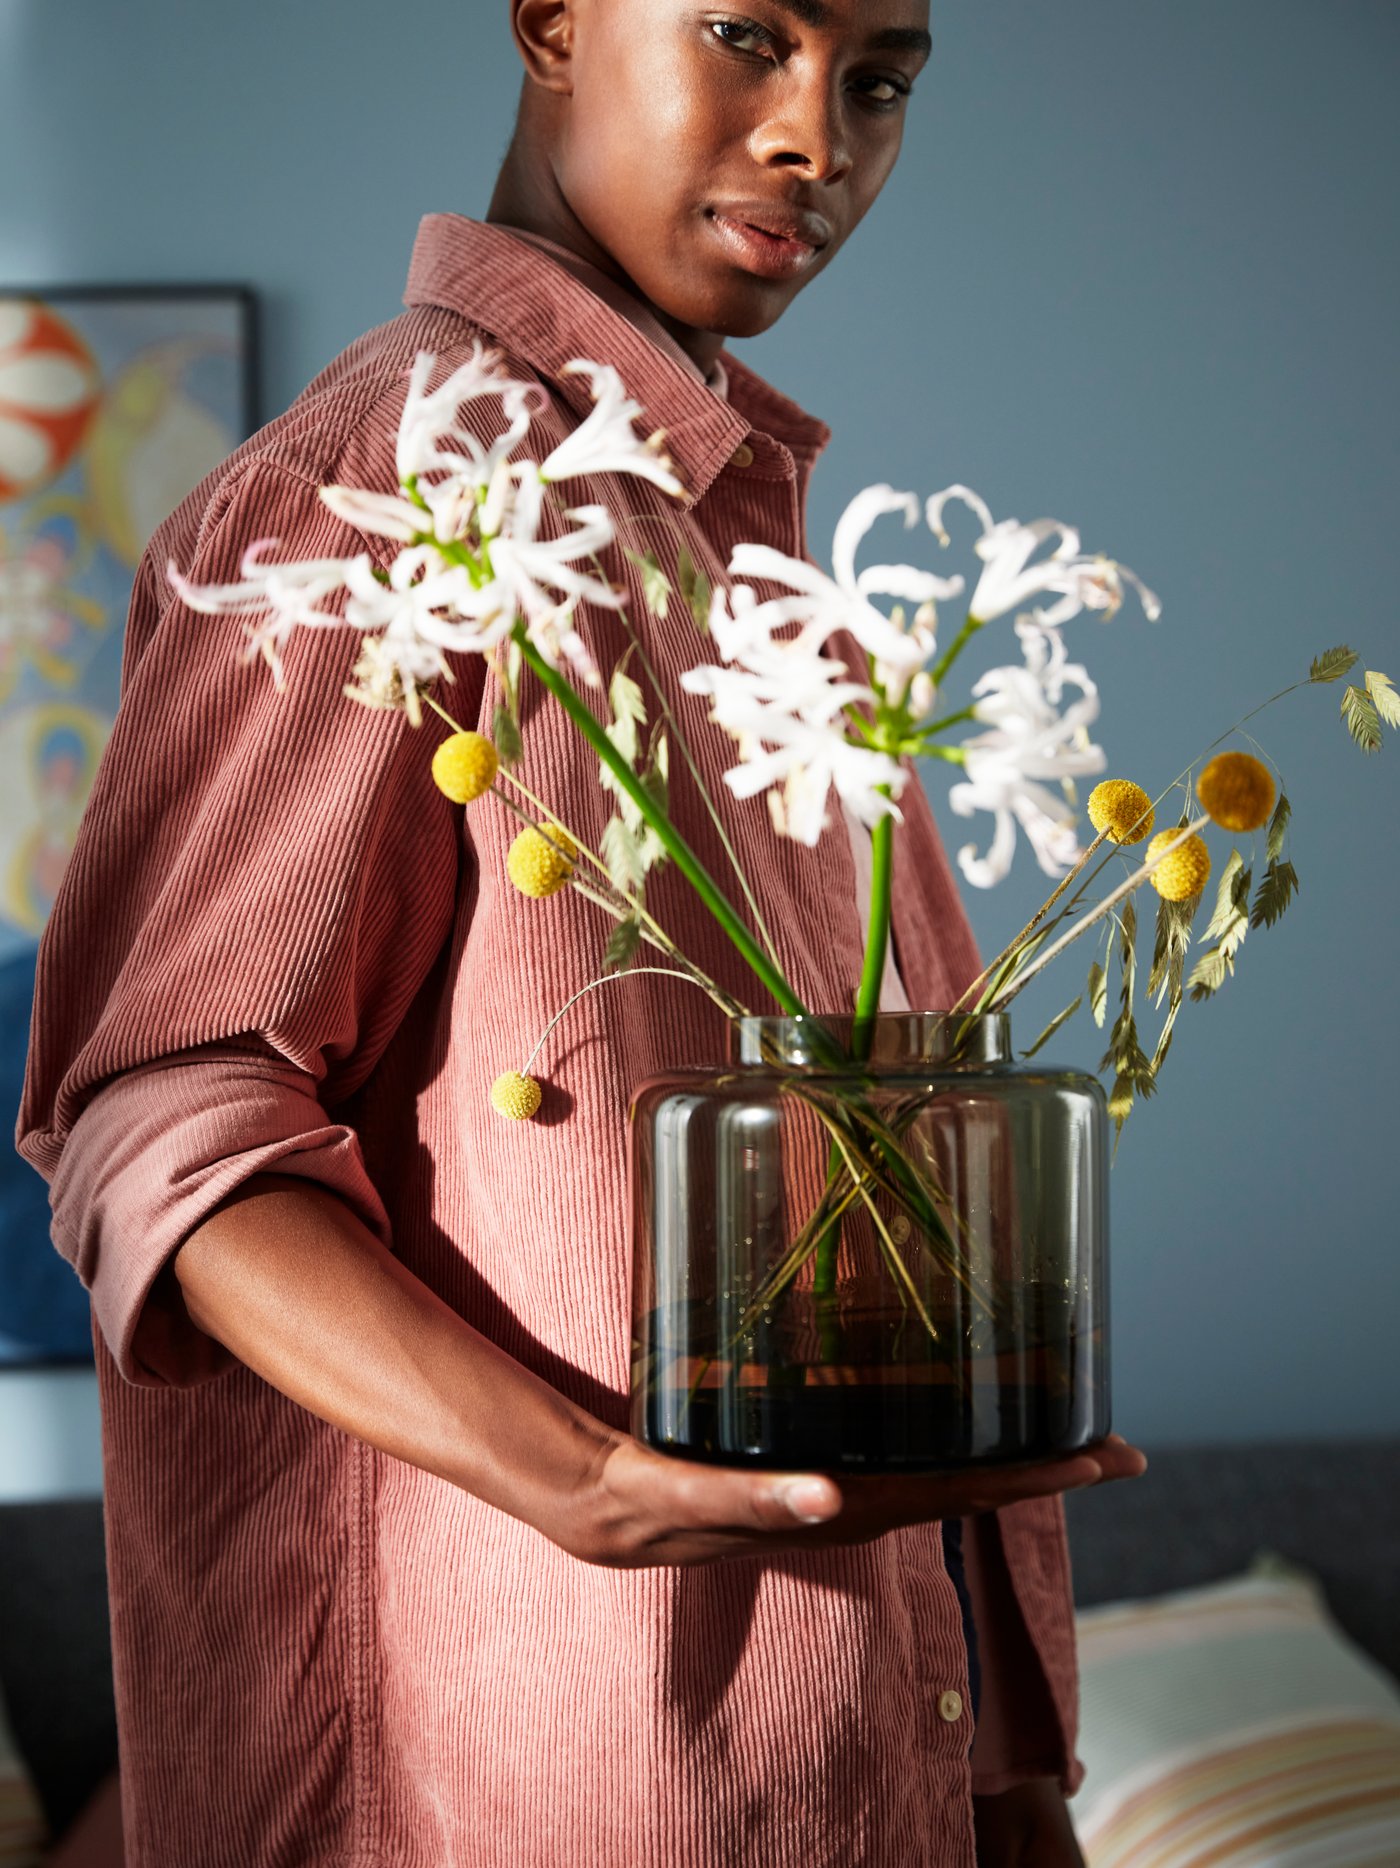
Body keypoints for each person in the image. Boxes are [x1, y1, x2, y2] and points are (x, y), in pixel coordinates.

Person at [16, 1, 1147, 1862]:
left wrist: (1012, 1796)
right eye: (743, 35)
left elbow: (901, 1235)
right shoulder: (372, 501)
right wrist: (588, 1484)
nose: (819, 139)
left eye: (879, 80)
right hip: (535, 1781)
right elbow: (165, 1127)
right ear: (549, 20)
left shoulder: (790, 596)